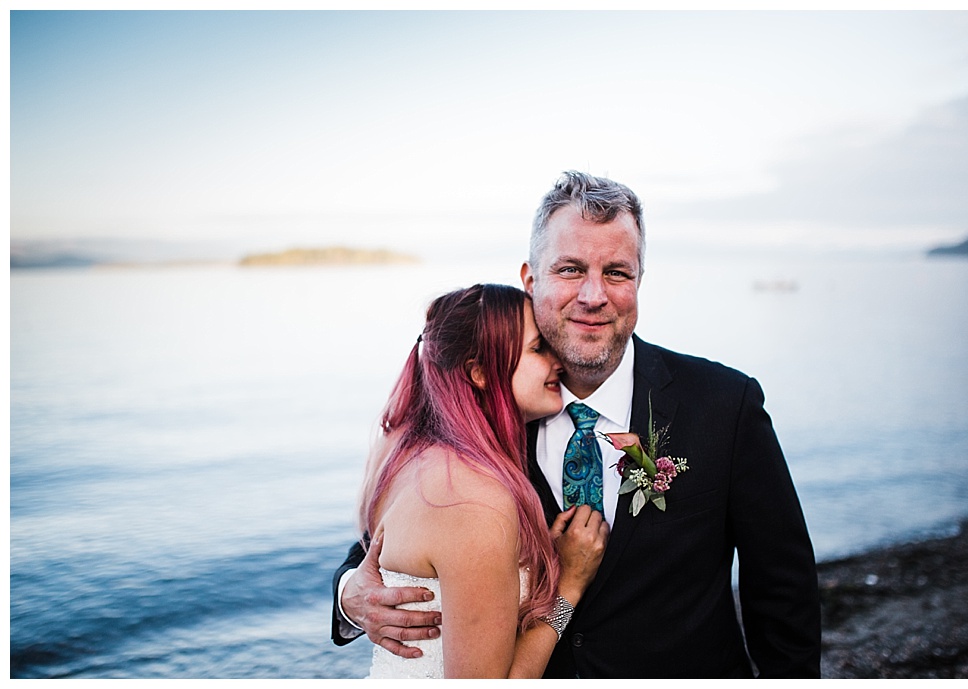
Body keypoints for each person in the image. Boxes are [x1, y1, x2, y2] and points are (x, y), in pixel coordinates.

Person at [333, 172, 821, 678]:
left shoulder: (725, 404)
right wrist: (352, 596)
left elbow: (783, 587)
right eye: (570, 269)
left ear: (638, 283)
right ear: (530, 280)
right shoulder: (480, 418)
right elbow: (381, 545)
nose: (593, 296)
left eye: (616, 272)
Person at [348, 283, 609, 678]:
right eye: (538, 348)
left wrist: (349, 589)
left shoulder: (400, 449)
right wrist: (568, 587)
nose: (558, 360)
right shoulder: (472, 502)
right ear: (481, 372)